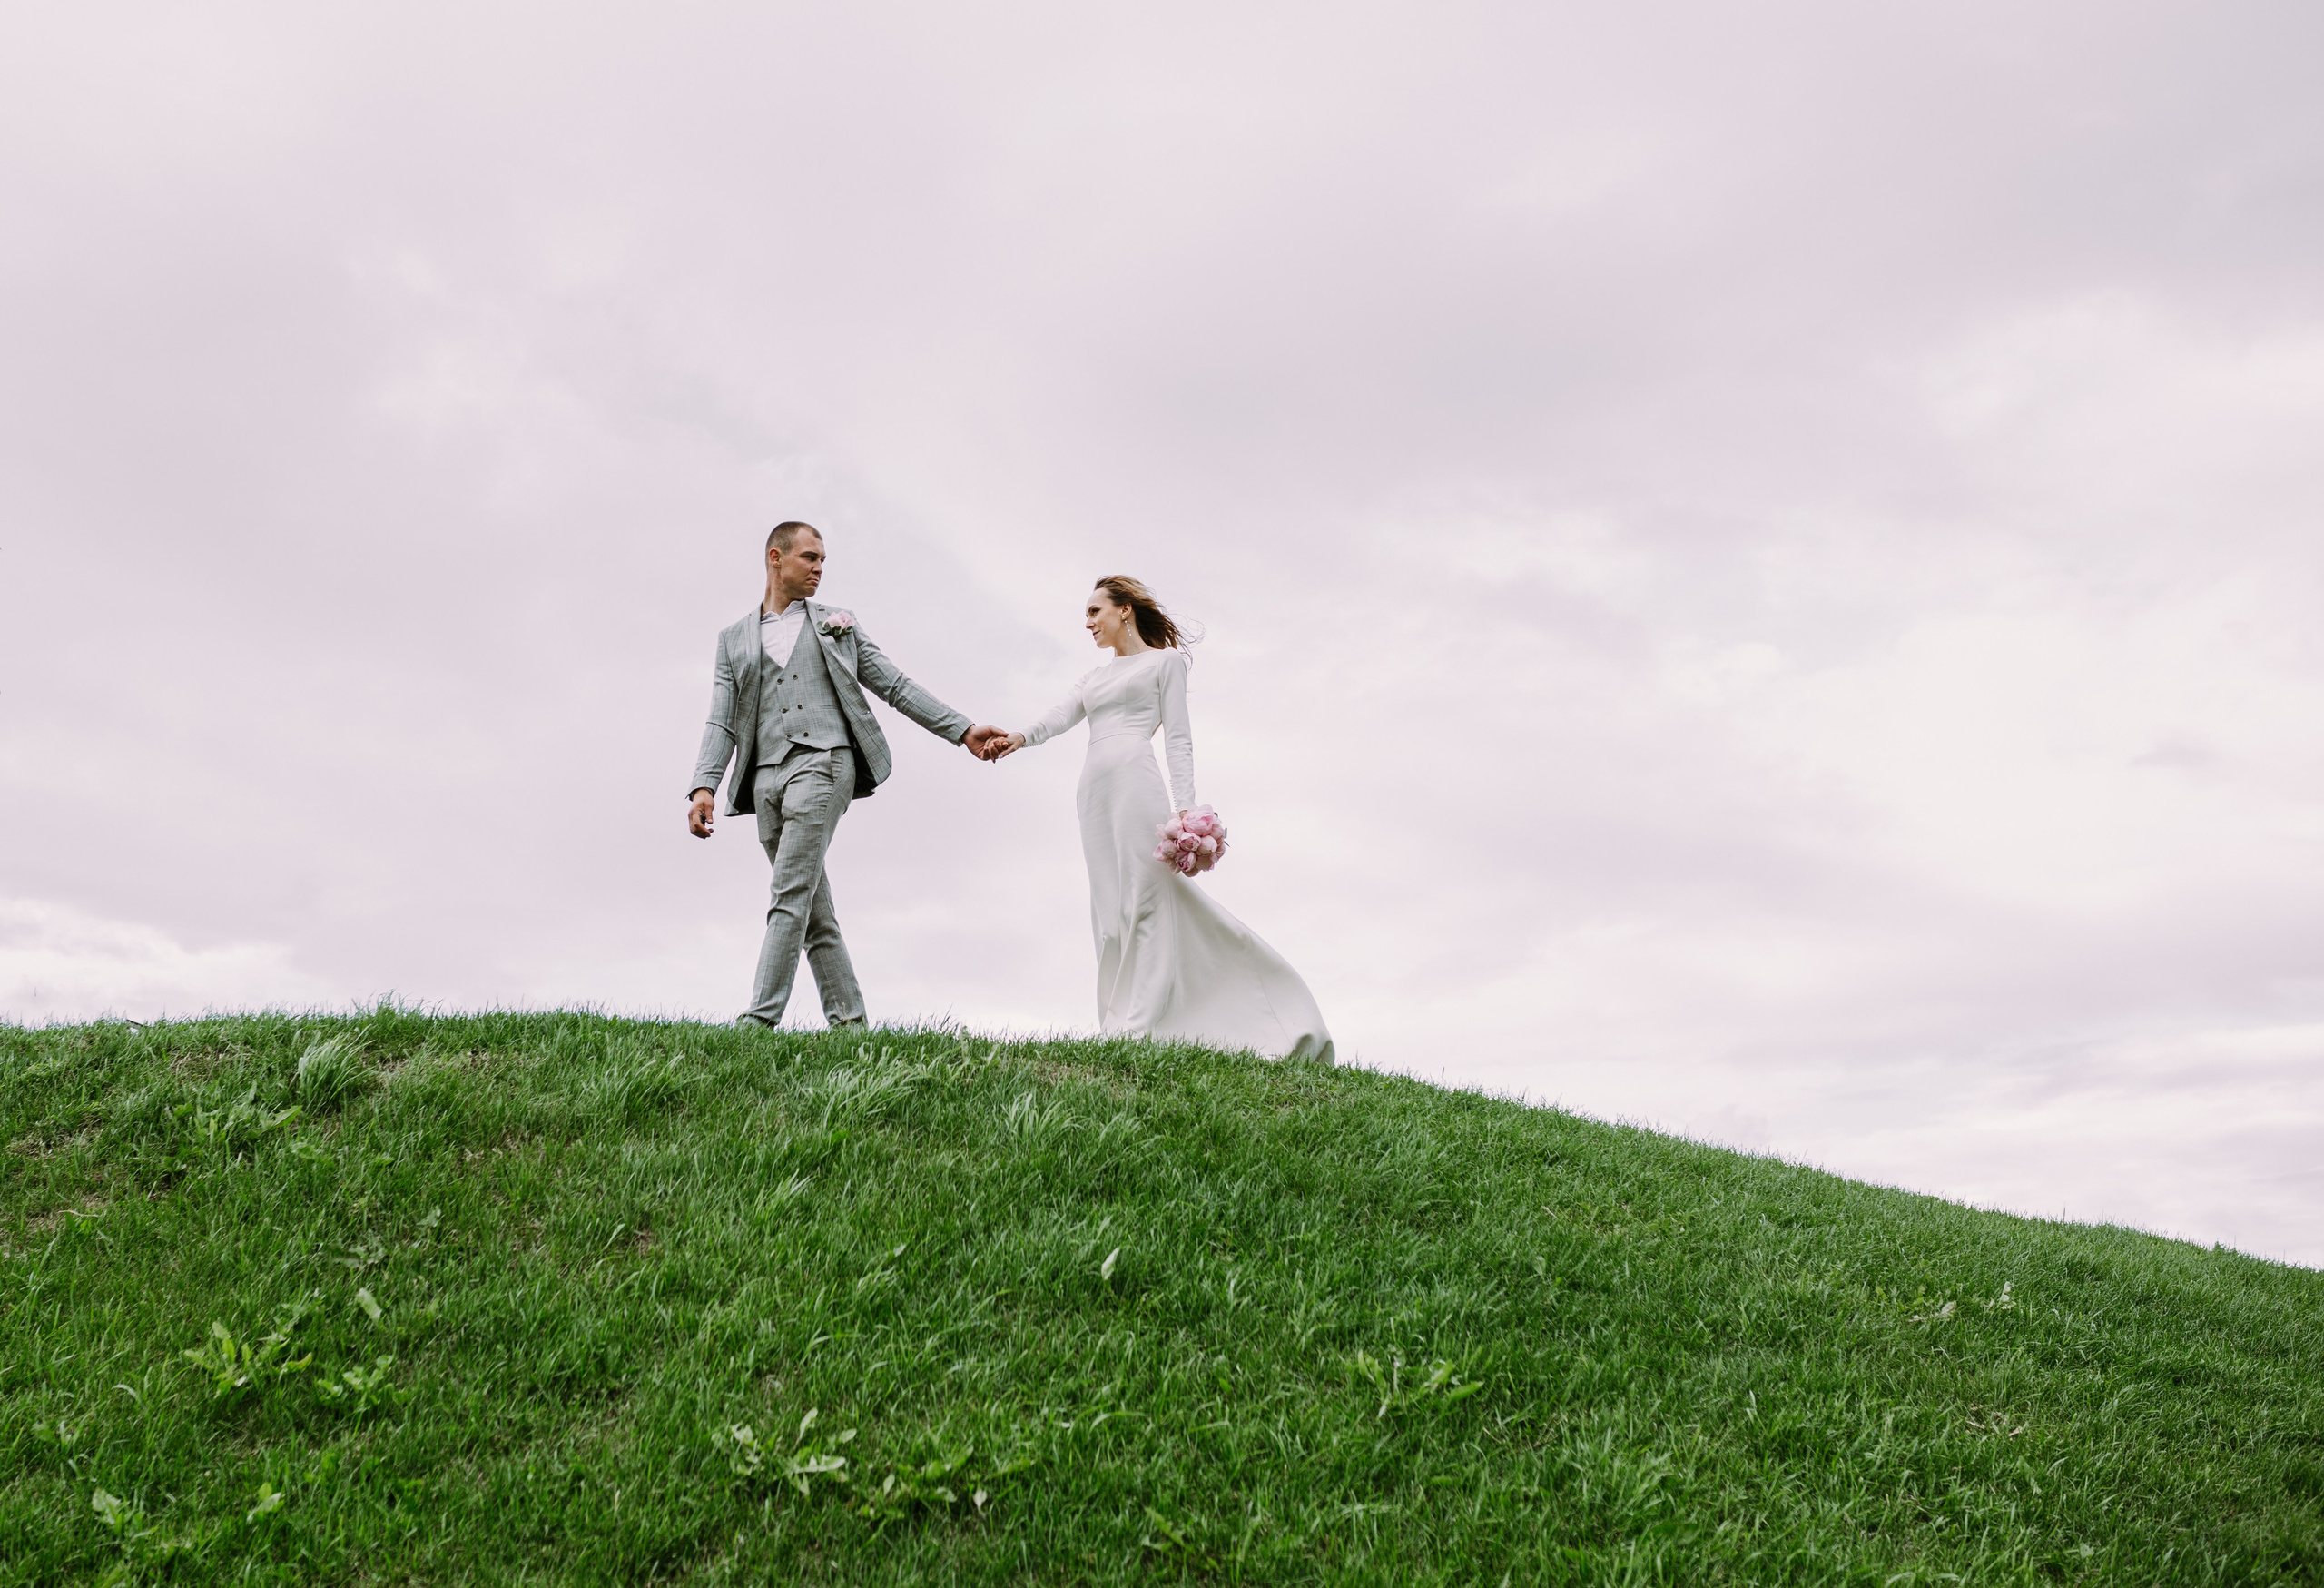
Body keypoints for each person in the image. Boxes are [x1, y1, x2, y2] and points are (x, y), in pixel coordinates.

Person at [991, 577, 1334, 1062]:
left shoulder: (1165, 663)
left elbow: (1178, 738)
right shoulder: (1092, 678)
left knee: (1147, 898)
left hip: (1136, 782)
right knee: (1110, 910)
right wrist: (1018, 737)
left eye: (1094, 611)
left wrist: (1186, 813)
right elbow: (1058, 716)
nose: (1088, 623)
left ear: (1124, 610)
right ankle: (1118, 1022)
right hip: (1093, 791)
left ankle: (1145, 1024)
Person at [688, 520, 1006, 1028]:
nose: (819, 568)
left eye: (823, 560)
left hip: (824, 763)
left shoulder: (838, 624)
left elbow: (895, 685)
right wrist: (704, 785)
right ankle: (850, 1024)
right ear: (775, 558)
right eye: (809, 557)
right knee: (811, 906)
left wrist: (962, 729)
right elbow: (721, 719)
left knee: (788, 892)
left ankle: (759, 1020)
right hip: (765, 778)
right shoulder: (733, 640)